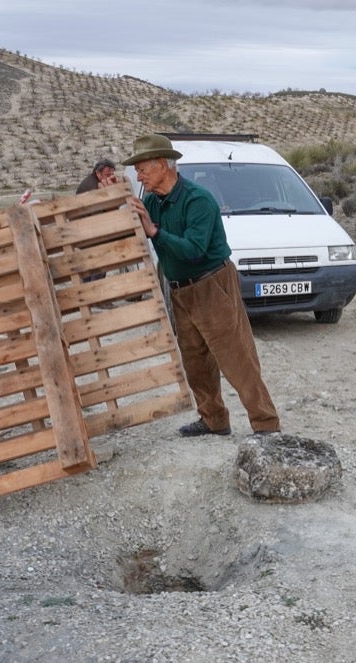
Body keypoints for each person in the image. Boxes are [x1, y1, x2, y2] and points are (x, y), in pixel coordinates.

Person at [120, 133, 281, 437]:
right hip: (180, 289)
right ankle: (214, 420)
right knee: (195, 359)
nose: (139, 175)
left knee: (236, 356)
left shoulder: (198, 200)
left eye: (143, 169)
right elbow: (132, 229)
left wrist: (154, 231)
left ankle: (266, 425)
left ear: (163, 165)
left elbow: (194, 250)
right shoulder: (153, 201)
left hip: (212, 284)